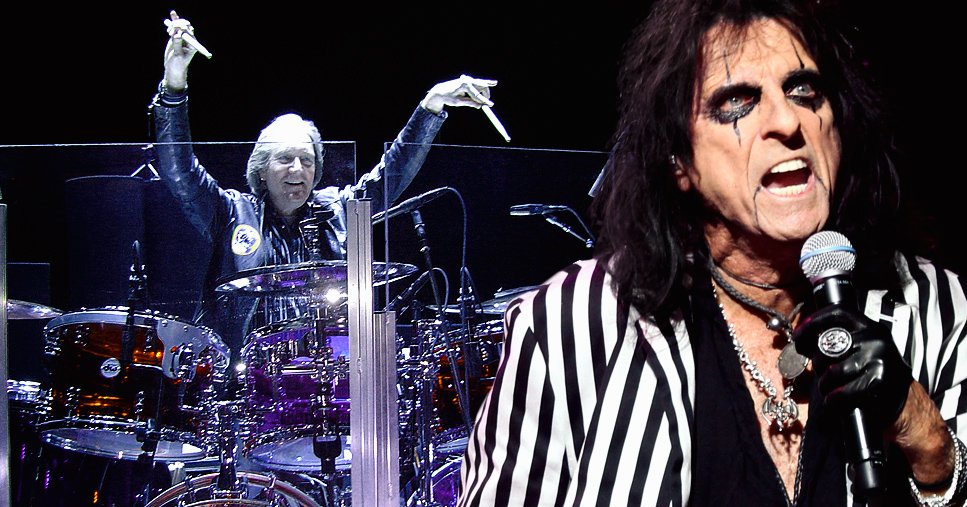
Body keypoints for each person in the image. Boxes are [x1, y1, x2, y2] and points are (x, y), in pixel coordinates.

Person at [457, 0, 967, 506]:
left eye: (803, 90)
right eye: (737, 101)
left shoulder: (934, 307)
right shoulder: (570, 323)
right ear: (679, 161)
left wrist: (930, 442)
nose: (787, 121)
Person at [149, 15, 499, 354]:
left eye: (307, 160)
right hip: (247, 377)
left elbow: (393, 172)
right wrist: (174, 84)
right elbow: (180, 171)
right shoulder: (230, 212)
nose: (298, 169)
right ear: (261, 170)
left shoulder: (337, 210)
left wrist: (431, 105)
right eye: (285, 158)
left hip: (330, 369)